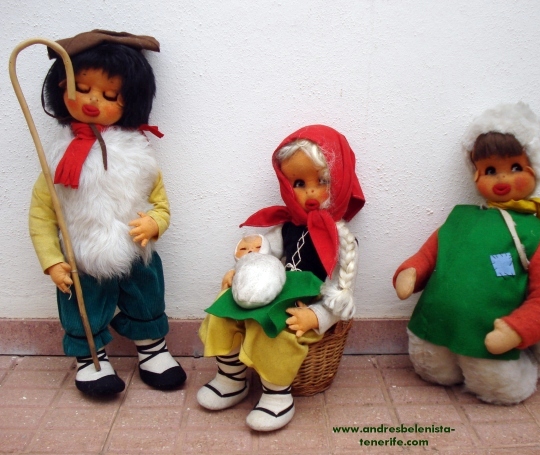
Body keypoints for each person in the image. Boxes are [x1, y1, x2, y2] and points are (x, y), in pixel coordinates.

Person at [29, 30, 186, 396]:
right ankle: (90, 359)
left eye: (110, 95)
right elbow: (41, 215)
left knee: (146, 296)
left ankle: (152, 349)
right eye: (82, 89)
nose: (92, 101)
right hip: (81, 257)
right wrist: (52, 260)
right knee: (83, 306)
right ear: (61, 88)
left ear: (130, 100)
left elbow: (161, 204)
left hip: (135, 249)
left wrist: (155, 223)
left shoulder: (138, 155)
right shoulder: (57, 160)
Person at [393, 102, 540, 404]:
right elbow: (429, 254)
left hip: (491, 336)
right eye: (490, 170)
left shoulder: (537, 234)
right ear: (477, 173)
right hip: (437, 329)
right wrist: (411, 272)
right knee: (434, 371)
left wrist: (517, 329)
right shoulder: (461, 219)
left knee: (498, 386)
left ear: (534, 168)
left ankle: (531, 366)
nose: (502, 179)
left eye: (515, 167)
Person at [198, 124, 365, 431]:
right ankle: (231, 378)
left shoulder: (343, 242)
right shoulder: (285, 227)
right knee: (224, 309)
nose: (310, 192)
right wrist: (242, 269)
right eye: (299, 183)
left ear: (340, 182)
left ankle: (277, 394)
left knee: (277, 329)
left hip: (304, 304)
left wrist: (317, 316)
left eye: (323, 181)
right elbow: (265, 252)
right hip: (273, 290)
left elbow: (342, 294)